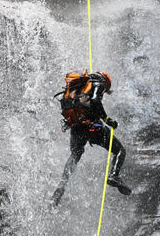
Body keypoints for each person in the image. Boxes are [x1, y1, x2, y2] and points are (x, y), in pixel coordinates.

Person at [51, 69, 131, 206]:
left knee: (75, 155)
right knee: (119, 151)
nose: (104, 91)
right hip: (93, 127)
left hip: (76, 128)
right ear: (104, 80)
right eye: (106, 89)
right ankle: (114, 175)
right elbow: (95, 101)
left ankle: (61, 185)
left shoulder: (75, 89)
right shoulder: (98, 84)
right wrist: (107, 120)